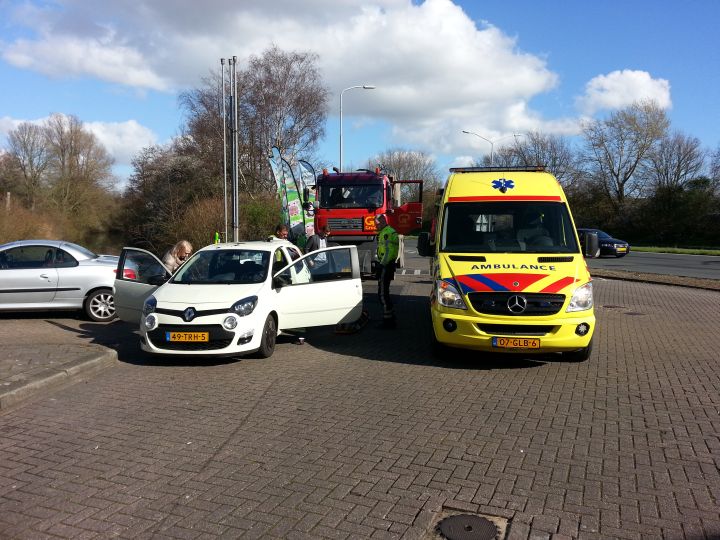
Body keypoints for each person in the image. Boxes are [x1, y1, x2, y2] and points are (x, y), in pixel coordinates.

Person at [374, 214, 399, 329]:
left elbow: (389, 252)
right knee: (384, 293)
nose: (375, 226)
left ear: (383, 221)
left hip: (386, 266)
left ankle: (388, 321)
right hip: (386, 266)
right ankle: (390, 317)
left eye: (377, 224)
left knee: (383, 294)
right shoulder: (386, 231)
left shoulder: (387, 233)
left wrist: (381, 265)